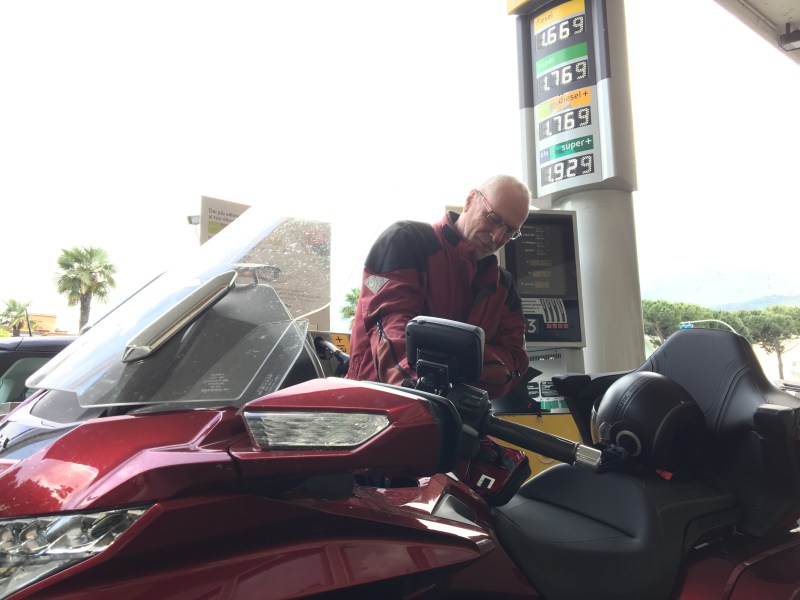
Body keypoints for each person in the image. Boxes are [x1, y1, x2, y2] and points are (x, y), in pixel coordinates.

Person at [346, 174, 532, 399]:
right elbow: (390, 332)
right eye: (492, 218)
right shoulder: (406, 242)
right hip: (375, 406)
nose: (497, 236)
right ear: (470, 200)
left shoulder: (504, 286)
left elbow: (515, 360)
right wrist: (458, 371)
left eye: (510, 232)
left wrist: (443, 368)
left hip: (453, 413)